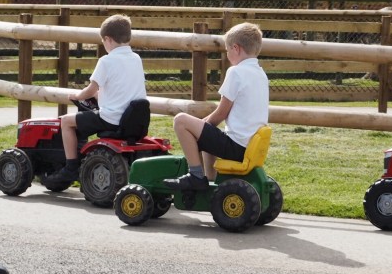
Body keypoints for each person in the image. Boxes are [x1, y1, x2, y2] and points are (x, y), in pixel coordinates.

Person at [163, 22, 269, 191]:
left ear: (236, 48)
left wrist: (202, 125)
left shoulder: (236, 72)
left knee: (181, 120)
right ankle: (211, 180)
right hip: (249, 145)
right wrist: (203, 128)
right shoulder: (260, 74)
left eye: (227, 51)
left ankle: (196, 176)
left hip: (236, 146)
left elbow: (221, 113)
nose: (227, 55)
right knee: (209, 136)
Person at [45, 14, 147, 185]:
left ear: (107, 39)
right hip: (133, 120)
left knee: (66, 122)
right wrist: (96, 96)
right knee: (86, 117)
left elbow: (91, 89)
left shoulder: (106, 61)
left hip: (111, 120)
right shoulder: (136, 59)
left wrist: (76, 96)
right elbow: (117, 91)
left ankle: (70, 167)